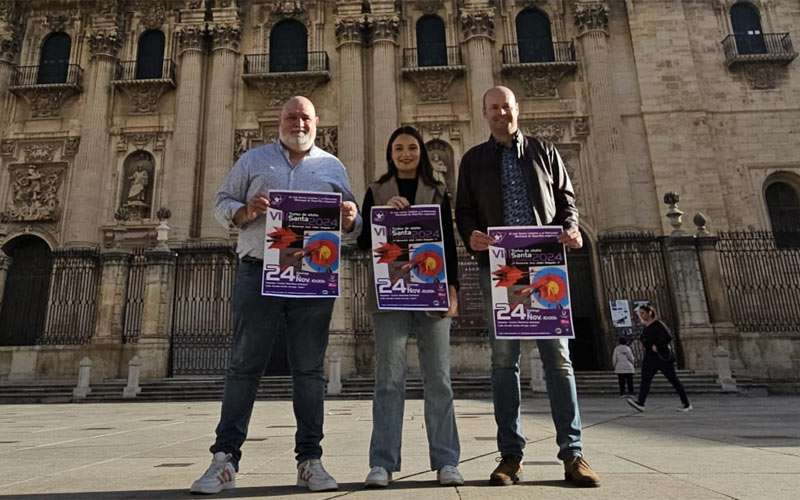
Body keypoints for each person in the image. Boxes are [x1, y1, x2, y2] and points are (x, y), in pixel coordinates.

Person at [189, 96, 361, 495]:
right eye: (290, 117)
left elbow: (348, 218)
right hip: (258, 273)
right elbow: (220, 203)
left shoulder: (332, 166)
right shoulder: (253, 161)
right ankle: (225, 459)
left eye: (305, 118)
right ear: (279, 121)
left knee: (309, 369)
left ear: (316, 123)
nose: (298, 123)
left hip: (312, 279)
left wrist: (351, 219)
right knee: (244, 365)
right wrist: (245, 211)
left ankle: (310, 460)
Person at [455, 85, 600, 488]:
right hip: (500, 266)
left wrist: (571, 227)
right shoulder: (473, 160)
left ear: (517, 109)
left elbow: (566, 199)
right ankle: (510, 456)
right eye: (493, 108)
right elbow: (463, 210)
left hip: (545, 265)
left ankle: (573, 454)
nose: (500, 113)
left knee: (560, 360)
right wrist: (471, 235)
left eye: (506, 106)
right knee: (504, 362)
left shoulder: (545, 151)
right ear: (485, 113)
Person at [356, 125, 463, 488]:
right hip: (391, 295)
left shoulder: (436, 191)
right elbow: (361, 245)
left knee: (440, 380)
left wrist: (453, 290)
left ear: (422, 153)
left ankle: (447, 461)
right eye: (399, 148)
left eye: (412, 148)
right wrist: (382, 214)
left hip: (431, 293)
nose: (405, 154)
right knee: (388, 380)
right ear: (390, 153)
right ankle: (382, 463)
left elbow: (448, 243)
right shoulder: (376, 191)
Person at [626, 304, 693, 413]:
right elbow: (644, 340)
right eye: (640, 313)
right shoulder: (646, 327)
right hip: (650, 358)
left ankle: (686, 404)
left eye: (643, 313)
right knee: (645, 380)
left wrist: (658, 346)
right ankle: (640, 403)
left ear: (650, 313)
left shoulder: (658, 324)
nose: (641, 315)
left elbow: (668, 337)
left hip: (662, 358)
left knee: (674, 380)